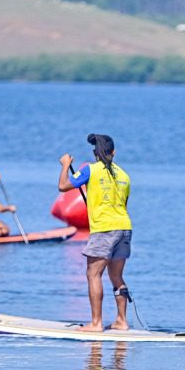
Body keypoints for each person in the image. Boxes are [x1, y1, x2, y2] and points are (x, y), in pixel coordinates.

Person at [58, 134, 133, 332]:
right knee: (117, 277)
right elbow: (123, 205)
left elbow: (63, 186)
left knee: (93, 274)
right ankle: (121, 321)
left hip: (104, 229)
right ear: (114, 152)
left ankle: (96, 323)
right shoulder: (124, 175)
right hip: (124, 228)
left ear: (95, 152)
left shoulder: (89, 170)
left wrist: (66, 165)